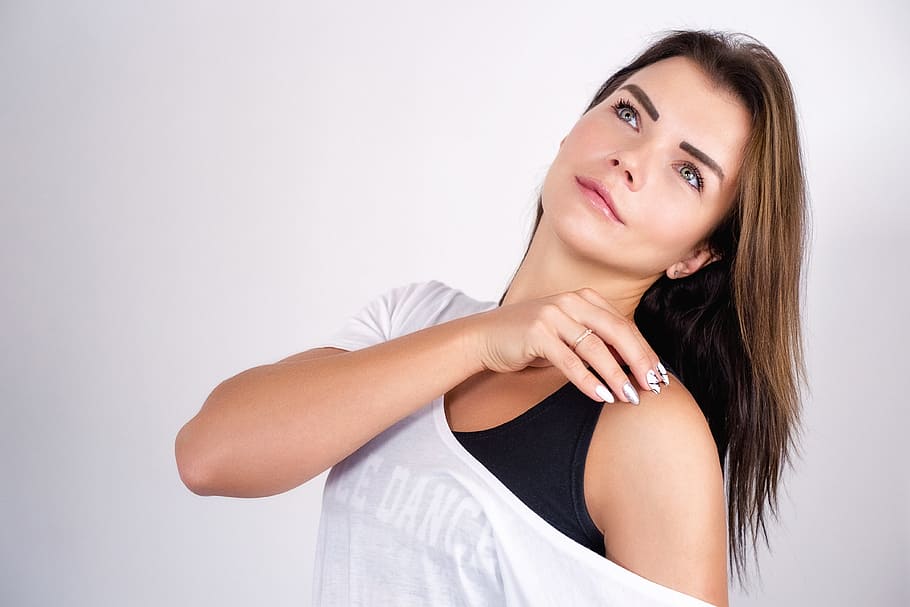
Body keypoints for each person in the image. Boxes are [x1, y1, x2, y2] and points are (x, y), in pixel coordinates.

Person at [175, 28, 808, 607]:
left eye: (688, 172)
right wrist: (482, 339)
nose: (632, 160)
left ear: (698, 254)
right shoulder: (415, 316)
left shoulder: (648, 428)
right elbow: (209, 456)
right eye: (628, 113)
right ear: (573, 129)